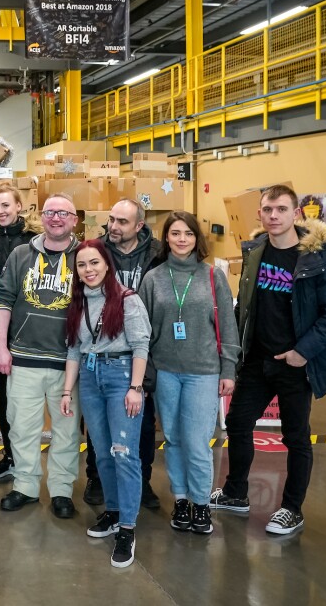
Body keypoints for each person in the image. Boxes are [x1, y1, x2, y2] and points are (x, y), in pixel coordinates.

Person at [212, 184, 326, 535]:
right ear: (259, 214)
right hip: (257, 361)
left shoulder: (318, 258)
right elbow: (246, 304)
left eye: (280, 209)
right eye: (267, 210)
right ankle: (235, 493)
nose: (273, 216)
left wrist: (302, 352)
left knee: (296, 438)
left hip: (295, 364)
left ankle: (292, 508)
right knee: (239, 425)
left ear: (295, 214)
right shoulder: (256, 252)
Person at [140, 212, 239, 536]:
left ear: (197, 239)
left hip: (203, 372)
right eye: (175, 233)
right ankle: (180, 499)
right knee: (173, 439)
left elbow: (227, 326)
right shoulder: (153, 279)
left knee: (197, 442)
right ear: (166, 238)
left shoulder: (213, 277)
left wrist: (228, 369)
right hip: (166, 371)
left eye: (188, 234)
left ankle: (200, 504)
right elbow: (141, 329)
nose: (182, 239)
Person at [61, 239, 152, 568]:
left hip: (122, 376)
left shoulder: (128, 300)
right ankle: (113, 513)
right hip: (89, 377)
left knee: (124, 453)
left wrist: (135, 388)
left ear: (107, 264)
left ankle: (127, 528)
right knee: (101, 454)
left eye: (94, 263)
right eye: (82, 265)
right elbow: (74, 350)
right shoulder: (78, 302)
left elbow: (141, 345)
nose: (89, 270)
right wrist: (67, 392)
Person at [0, 194, 81, 518]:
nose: (55, 218)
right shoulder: (20, 255)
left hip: (67, 363)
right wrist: (1, 347)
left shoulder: (86, 255)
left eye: (63, 213)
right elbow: (3, 301)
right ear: (41, 217)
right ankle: (26, 486)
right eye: (49, 213)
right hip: (24, 359)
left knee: (66, 432)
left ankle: (61, 491)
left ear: (74, 220)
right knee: (22, 429)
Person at [87, 197, 165, 509]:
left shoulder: (159, 253)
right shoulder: (97, 250)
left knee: (143, 420)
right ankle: (96, 477)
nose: (113, 227)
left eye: (122, 222)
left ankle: (142, 481)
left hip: (146, 346)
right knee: (99, 421)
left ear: (139, 226)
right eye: (111, 220)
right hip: (105, 345)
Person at [0, 182, 40, 482]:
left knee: (25, 397)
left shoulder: (34, 240)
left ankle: (27, 458)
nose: (1, 211)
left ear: (18, 206)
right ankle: (10, 455)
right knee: (2, 395)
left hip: (29, 326)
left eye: (6, 205)